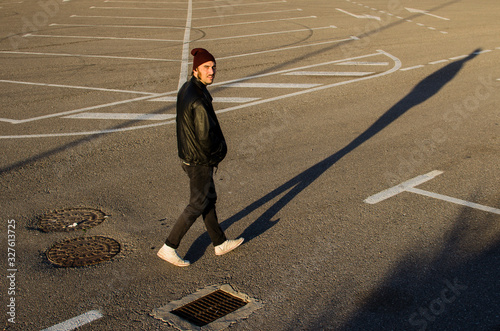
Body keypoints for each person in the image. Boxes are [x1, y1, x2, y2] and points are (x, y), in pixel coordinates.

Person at [157, 48, 244, 267]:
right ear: (196, 69)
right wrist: (219, 153)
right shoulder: (198, 98)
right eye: (206, 67)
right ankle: (169, 247)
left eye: (213, 67)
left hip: (189, 156)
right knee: (197, 204)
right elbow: (206, 137)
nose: (211, 71)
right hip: (199, 160)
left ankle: (219, 242)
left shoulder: (187, 89)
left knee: (208, 199)